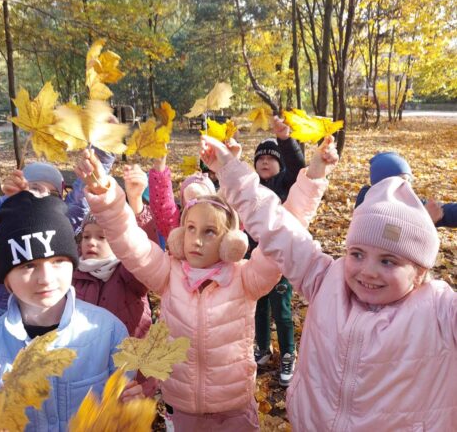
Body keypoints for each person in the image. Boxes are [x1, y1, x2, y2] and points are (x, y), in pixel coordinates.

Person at [200, 135, 456, 431]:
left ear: (420, 271)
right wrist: (230, 170)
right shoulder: (327, 280)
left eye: (388, 261)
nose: (368, 271)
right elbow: (276, 227)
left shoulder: (440, 312)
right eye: (357, 254)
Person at [74, 148, 287, 432]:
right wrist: (107, 196)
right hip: (184, 409)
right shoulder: (168, 273)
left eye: (209, 231)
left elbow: (282, 239)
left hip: (234, 409)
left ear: (231, 242)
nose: (196, 240)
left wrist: (312, 180)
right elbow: (129, 240)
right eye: (190, 228)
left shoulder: (245, 278)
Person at [0, 192, 140, 431]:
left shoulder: (108, 331)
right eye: (29, 266)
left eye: (58, 261)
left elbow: (123, 406)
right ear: (6, 278)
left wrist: (128, 411)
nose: (46, 279)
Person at [0, 155, 115, 325]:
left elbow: (80, 198)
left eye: (53, 194)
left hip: (32, 326)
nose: (44, 196)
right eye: (35, 188)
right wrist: (12, 204)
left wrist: (103, 148)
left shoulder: (58, 223)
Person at [249, 118, 305, 386]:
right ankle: (262, 346)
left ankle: (288, 353)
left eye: (271, 158)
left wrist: (285, 140)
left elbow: (298, 168)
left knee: (281, 310)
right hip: (253, 260)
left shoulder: (285, 184)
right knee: (258, 308)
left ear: (280, 165)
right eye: (260, 159)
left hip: (280, 262)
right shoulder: (250, 188)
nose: (265, 162)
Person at [355, 152, 456, 227]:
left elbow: (447, 211)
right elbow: (387, 238)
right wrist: (423, 221)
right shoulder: (367, 205)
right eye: (399, 181)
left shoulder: (408, 201)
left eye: (408, 181)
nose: (406, 186)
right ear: (379, 185)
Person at [148, 155, 216, 240]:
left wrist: (230, 164)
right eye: (191, 202)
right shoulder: (177, 225)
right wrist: (159, 165)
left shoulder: (218, 226)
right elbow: (163, 205)